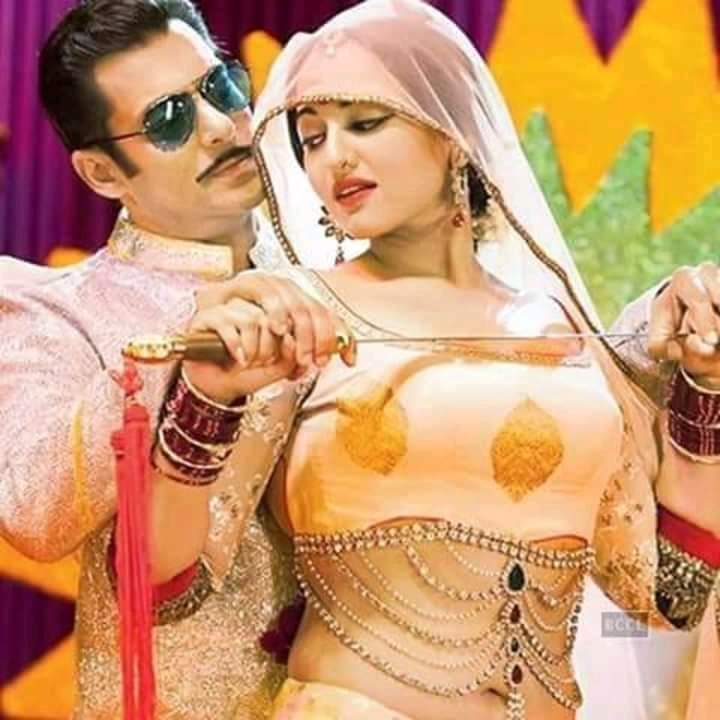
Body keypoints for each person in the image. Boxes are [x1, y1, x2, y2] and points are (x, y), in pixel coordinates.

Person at [241, 1, 720, 718]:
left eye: (365, 123)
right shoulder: (298, 317)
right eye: (311, 139)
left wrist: (703, 387)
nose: (333, 155)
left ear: (452, 134)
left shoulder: (560, 330)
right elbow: (181, 569)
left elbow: (668, 595)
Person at [0, 1, 338, 717]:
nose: (219, 125)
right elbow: (33, 514)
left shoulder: (342, 270)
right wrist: (184, 344)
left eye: (220, 87)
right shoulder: (61, 313)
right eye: (168, 120)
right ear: (101, 172)